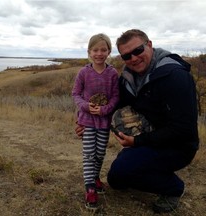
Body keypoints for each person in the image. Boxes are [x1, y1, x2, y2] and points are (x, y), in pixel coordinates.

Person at [75, 29, 199, 213]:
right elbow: (113, 105)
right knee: (117, 180)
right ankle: (138, 165)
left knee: (127, 170)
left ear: (149, 45)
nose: (133, 58)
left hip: (177, 146)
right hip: (149, 139)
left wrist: (138, 141)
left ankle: (174, 188)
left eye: (138, 50)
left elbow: (183, 129)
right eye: (126, 56)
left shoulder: (175, 76)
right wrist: (84, 121)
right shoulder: (128, 77)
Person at [72, 33, 119, 210]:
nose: (99, 53)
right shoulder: (84, 72)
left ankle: (96, 178)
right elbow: (75, 94)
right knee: (89, 155)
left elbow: (115, 97)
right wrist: (85, 106)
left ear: (108, 52)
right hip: (87, 121)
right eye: (95, 50)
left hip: (104, 122)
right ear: (89, 52)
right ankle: (90, 188)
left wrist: (105, 110)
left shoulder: (112, 73)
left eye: (103, 50)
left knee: (100, 154)